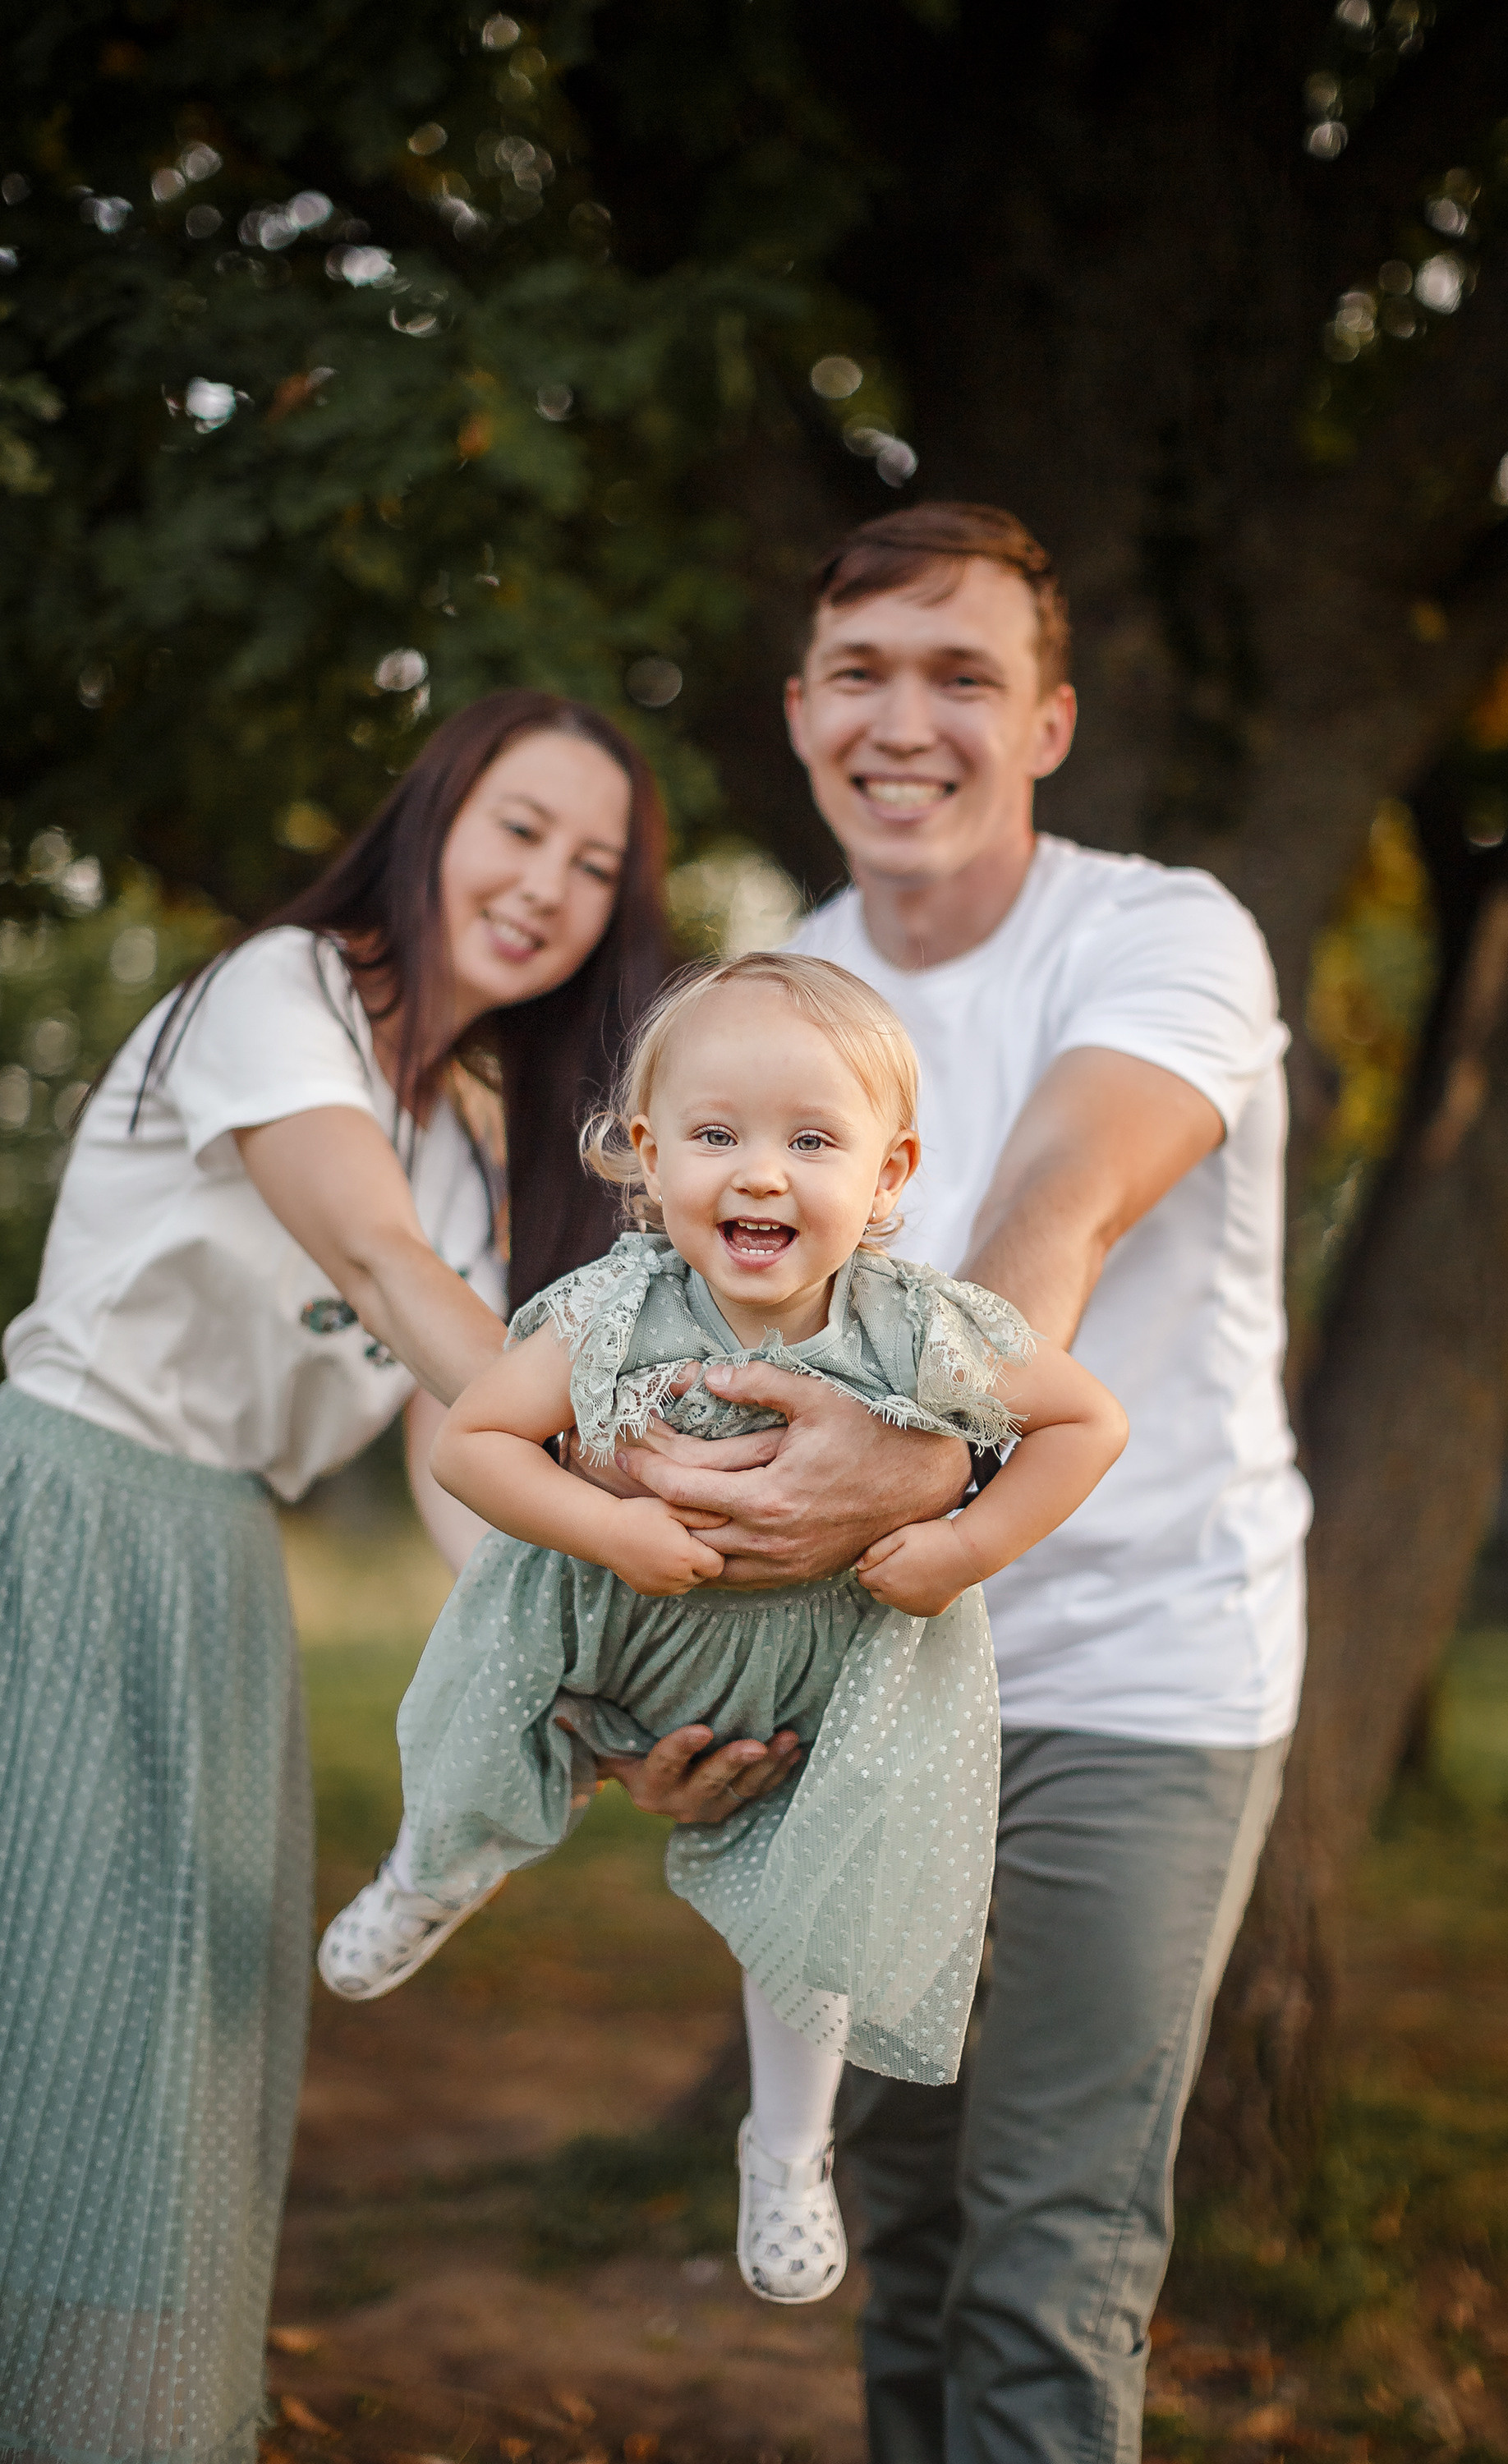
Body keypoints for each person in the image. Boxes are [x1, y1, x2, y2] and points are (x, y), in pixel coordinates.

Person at [594, 505, 1312, 2464]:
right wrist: (647, 1709)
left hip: (1137, 1674)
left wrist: (925, 1452)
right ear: (799, 712)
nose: (904, 722)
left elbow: (1060, 1198)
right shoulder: (772, 1002)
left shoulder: (1162, 935)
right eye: (861, 674)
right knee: (897, 2225)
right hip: (866, 1687)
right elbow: (664, 1355)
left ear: (1048, 724)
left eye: (962, 676)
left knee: (1048, 2252)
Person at [0, 687, 706, 2464]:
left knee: (172, 2066)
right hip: (61, 1514)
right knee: (49, 2017)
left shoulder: (468, 1150)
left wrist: (603, 1690)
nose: (545, 884)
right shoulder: (281, 993)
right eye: (519, 828)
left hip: (223, 1575)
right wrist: (608, 1487)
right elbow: (382, 1268)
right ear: (434, 818)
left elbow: (459, 1469)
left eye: (594, 866)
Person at [315, 951, 1127, 2308]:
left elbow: (1086, 1420)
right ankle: (433, 1866)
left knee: (814, 1919)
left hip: (815, 1696)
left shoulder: (914, 1326)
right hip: (603, 1635)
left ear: (889, 1173)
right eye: (716, 1136)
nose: (761, 1175)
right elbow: (473, 1445)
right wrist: (610, 1529)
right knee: (485, 1736)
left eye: (812, 1141)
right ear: (648, 1155)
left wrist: (967, 1546)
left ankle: (790, 2152)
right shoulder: (614, 1309)